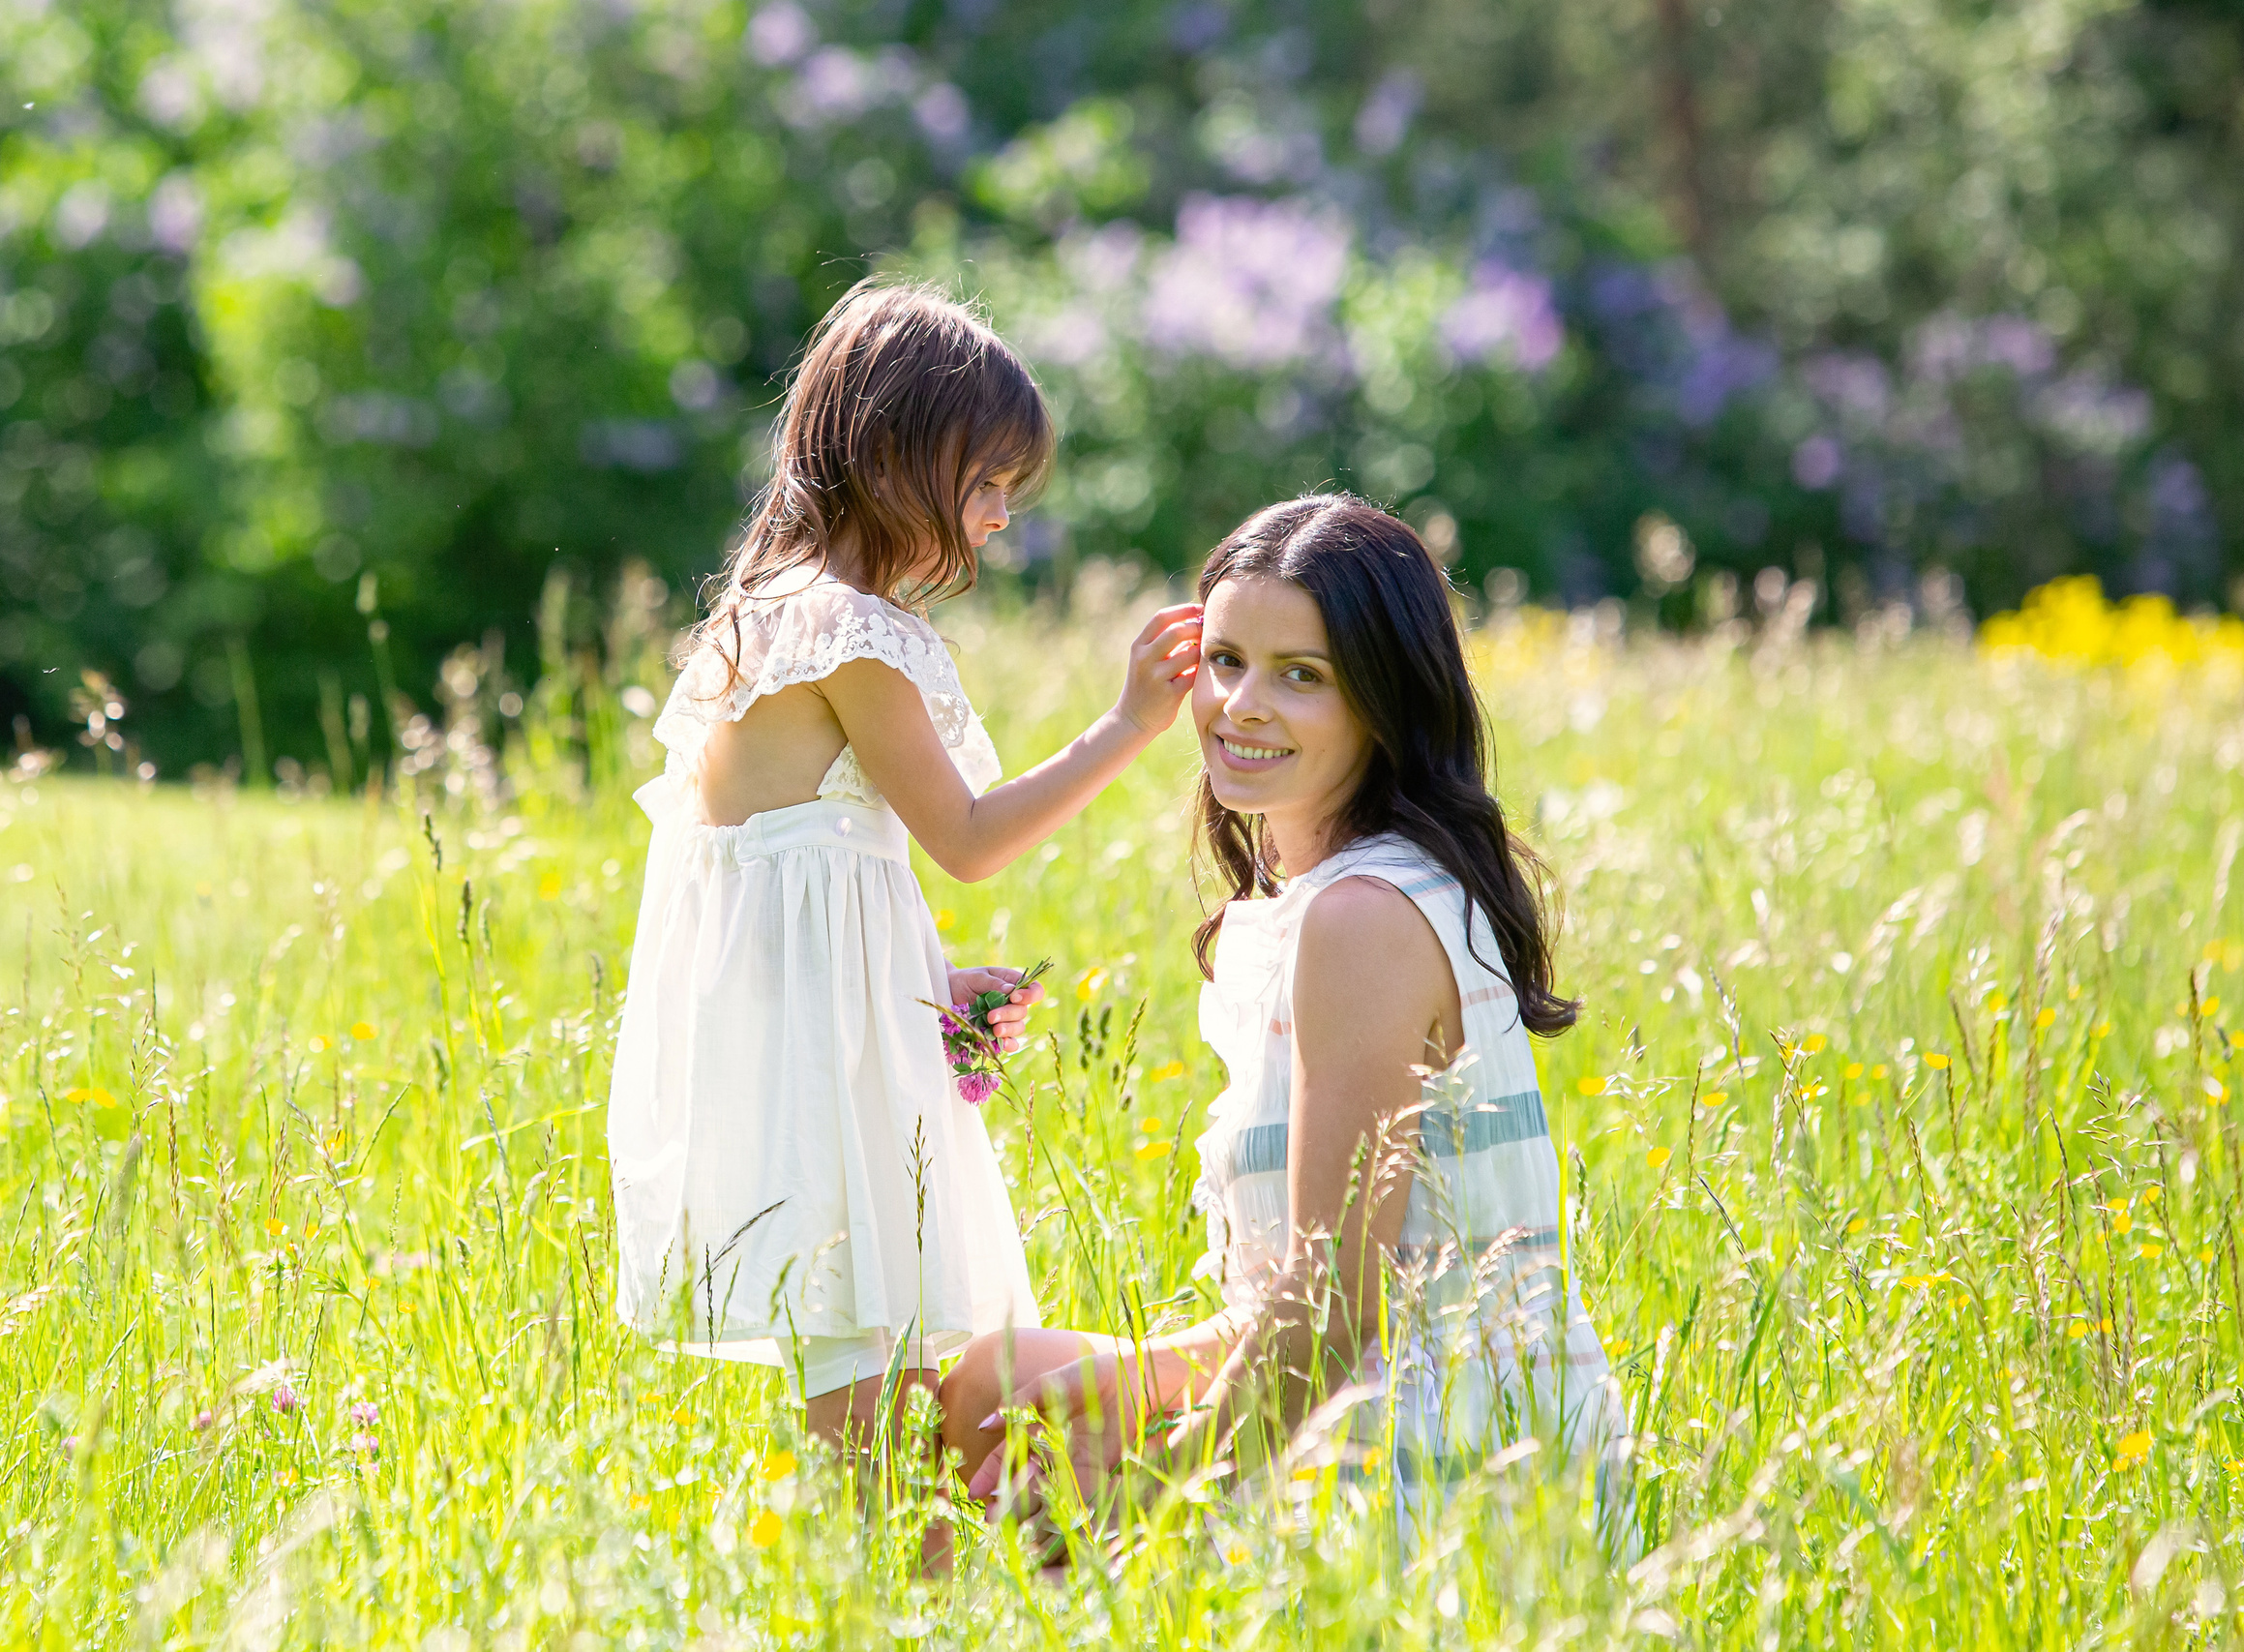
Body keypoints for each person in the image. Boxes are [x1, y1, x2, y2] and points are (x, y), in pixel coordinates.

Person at [938, 493, 1632, 1553]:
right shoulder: (1317, 902)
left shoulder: (1362, 920)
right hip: (1353, 1380)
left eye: (1299, 676)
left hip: (1446, 1454)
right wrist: (1117, 1385)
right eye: (1224, 662)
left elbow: (1339, 1312)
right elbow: (1306, 1301)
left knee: (1032, 1498)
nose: (1239, 706)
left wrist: (1155, 1490)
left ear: (1383, 703)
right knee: (988, 1385)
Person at [607, 279, 1205, 1468]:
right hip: (826, 1076)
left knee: (883, 1376)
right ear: (893, 457)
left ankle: (908, 1588)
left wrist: (926, 979)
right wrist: (1129, 724)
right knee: (877, 1389)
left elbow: (797, 871)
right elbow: (968, 840)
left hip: (811, 1049)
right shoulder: (851, 633)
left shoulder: (771, 611)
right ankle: (895, 1599)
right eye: (981, 483)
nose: (994, 518)